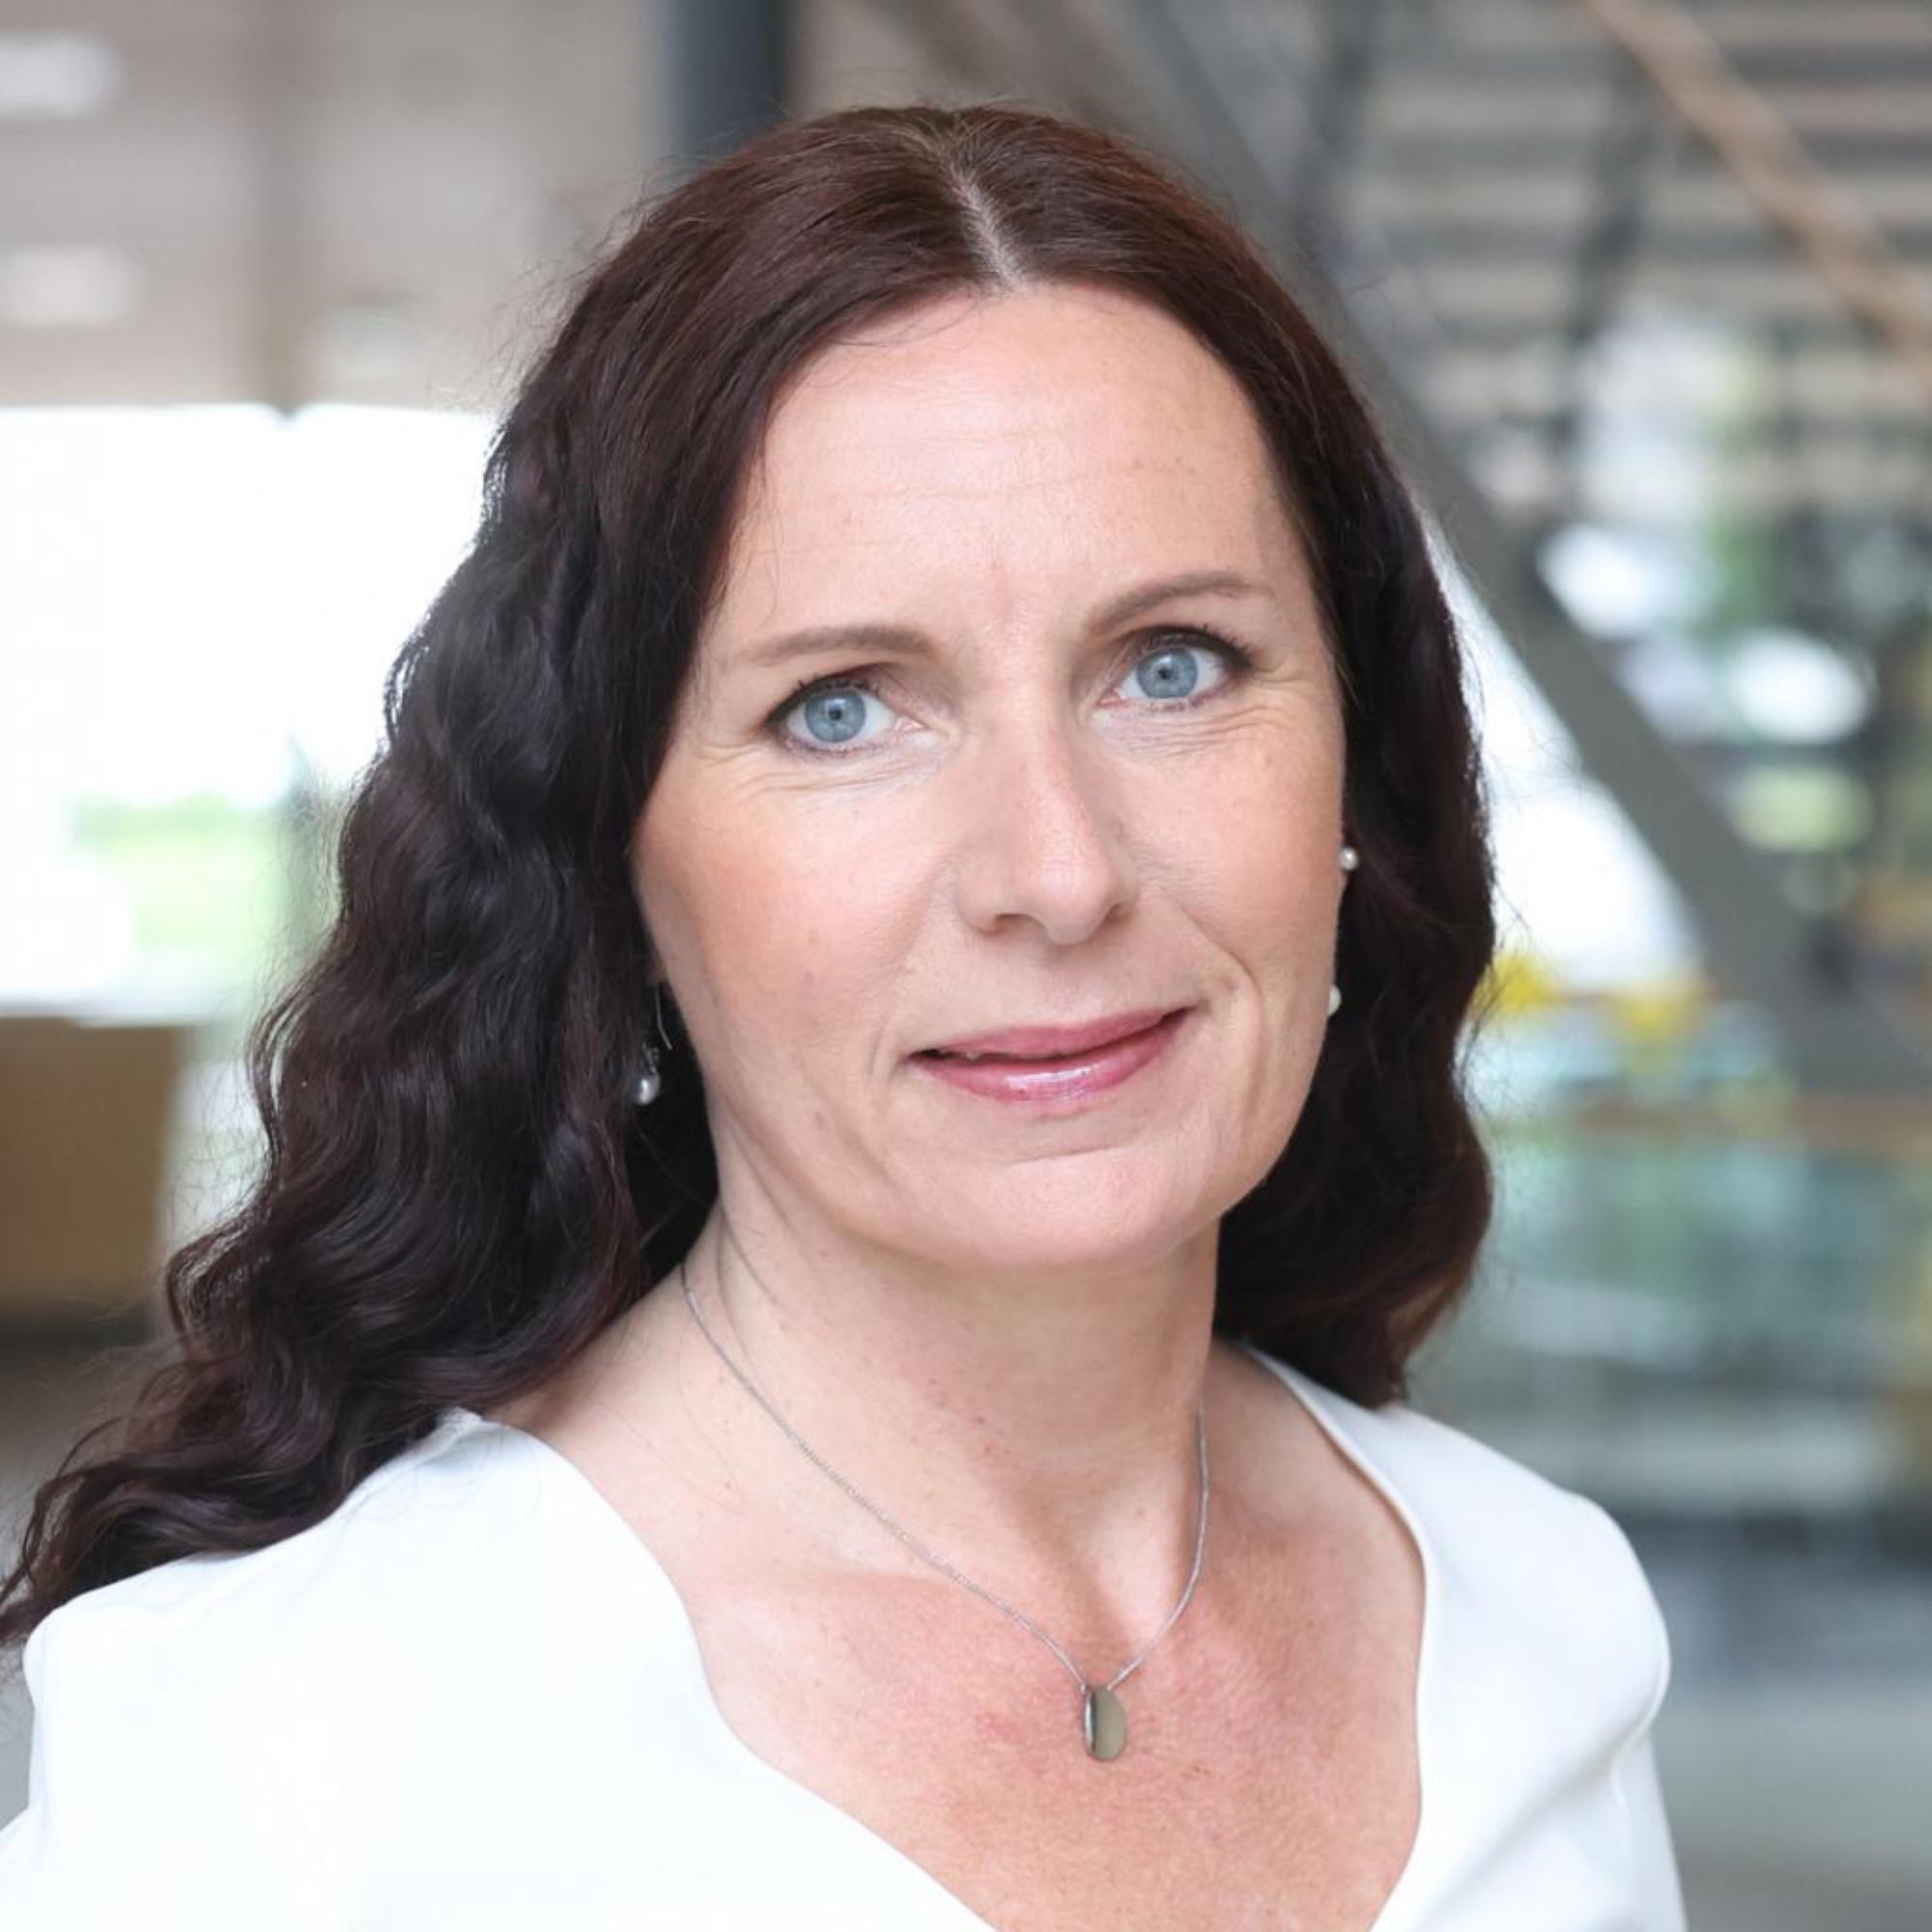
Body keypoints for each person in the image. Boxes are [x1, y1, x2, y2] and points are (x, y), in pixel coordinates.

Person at [0, 100, 1686, 1929]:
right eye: (842, 708)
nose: (1058, 872)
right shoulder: (280, 1750)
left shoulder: (1545, 1616)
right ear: (611, 853)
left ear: (1355, 771)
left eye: (1172, 666)